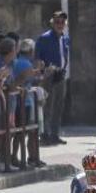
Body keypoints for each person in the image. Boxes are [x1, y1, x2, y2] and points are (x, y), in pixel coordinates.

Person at [35, 11, 70, 145]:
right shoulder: (44, 38)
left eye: (62, 22)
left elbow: (64, 54)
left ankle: (55, 134)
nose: (60, 25)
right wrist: (43, 72)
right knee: (47, 105)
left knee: (58, 106)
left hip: (60, 74)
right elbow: (38, 57)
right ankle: (45, 135)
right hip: (48, 74)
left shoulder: (65, 38)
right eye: (57, 22)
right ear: (52, 23)